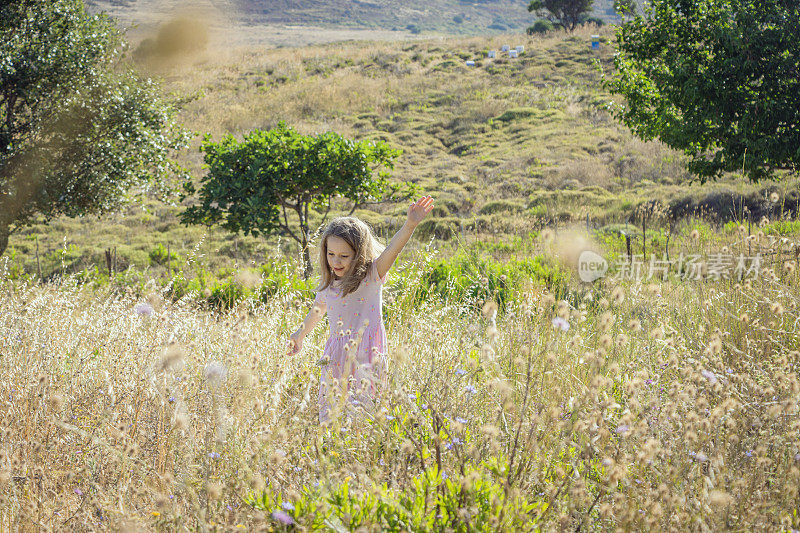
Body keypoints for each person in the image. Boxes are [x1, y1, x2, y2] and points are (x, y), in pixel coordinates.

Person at [287, 196, 434, 423]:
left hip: (368, 354)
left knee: (364, 413)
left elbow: (393, 249)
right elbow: (317, 310)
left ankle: (361, 451)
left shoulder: (372, 276)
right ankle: (331, 449)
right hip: (336, 356)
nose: (336, 261)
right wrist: (300, 334)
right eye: (330, 254)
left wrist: (410, 225)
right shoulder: (329, 283)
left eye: (344, 256)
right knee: (331, 411)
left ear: (359, 254)